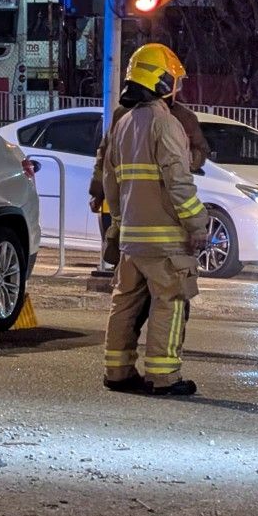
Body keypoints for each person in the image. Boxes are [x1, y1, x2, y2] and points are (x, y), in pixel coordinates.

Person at [101, 43, 209, 396]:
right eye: (174, 80)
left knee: (125, 304)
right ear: (162, 81)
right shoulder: (165, 123)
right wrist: (198, 223)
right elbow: (178, 182)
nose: (177, 87)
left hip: (132, 239)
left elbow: (111, 182)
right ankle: (164, 377)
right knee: (170, 303)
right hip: (165, 243)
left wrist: (119, 225)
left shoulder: (123, 124)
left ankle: (117, 372)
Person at [89, 64, 210, 265]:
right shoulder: (169, 120)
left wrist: (99, 195)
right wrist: (197, 226)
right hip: (164, 236)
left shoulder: (123, 119)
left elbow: (107, 165)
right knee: (166, 285)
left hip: (130, 229)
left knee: (128, 278)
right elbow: (179, 179)